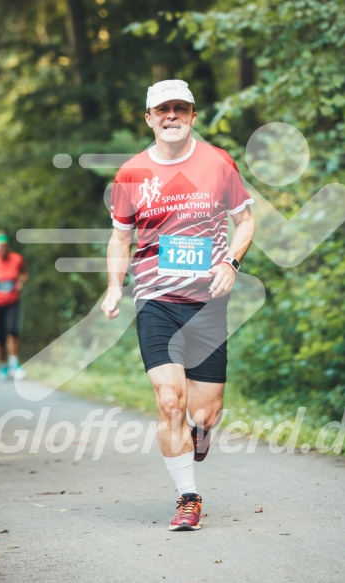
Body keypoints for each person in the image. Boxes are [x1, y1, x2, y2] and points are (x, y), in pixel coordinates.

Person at [101, 80, 255, 531]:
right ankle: (188, 497)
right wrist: (114, 286)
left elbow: (245, 220)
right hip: (155, 299)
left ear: (191, 115)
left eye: (180, 108)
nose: (171, 116)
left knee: (203, 414)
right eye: (162, 109)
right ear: (148, 118)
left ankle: (198, 433)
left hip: (207, 304)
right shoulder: (131, 173)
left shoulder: (217, 163)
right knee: (170, 400)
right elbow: (120, 237)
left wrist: (231, 262)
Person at [0, 231, 29, 381]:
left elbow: (24, 272)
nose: (2, 249)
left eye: (4, 246)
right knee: (0, 338)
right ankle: (3, 365)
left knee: (13, 331)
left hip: (13, 302)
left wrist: (21, 282)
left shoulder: (17, 259)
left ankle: (14, 364)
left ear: (7, 246)